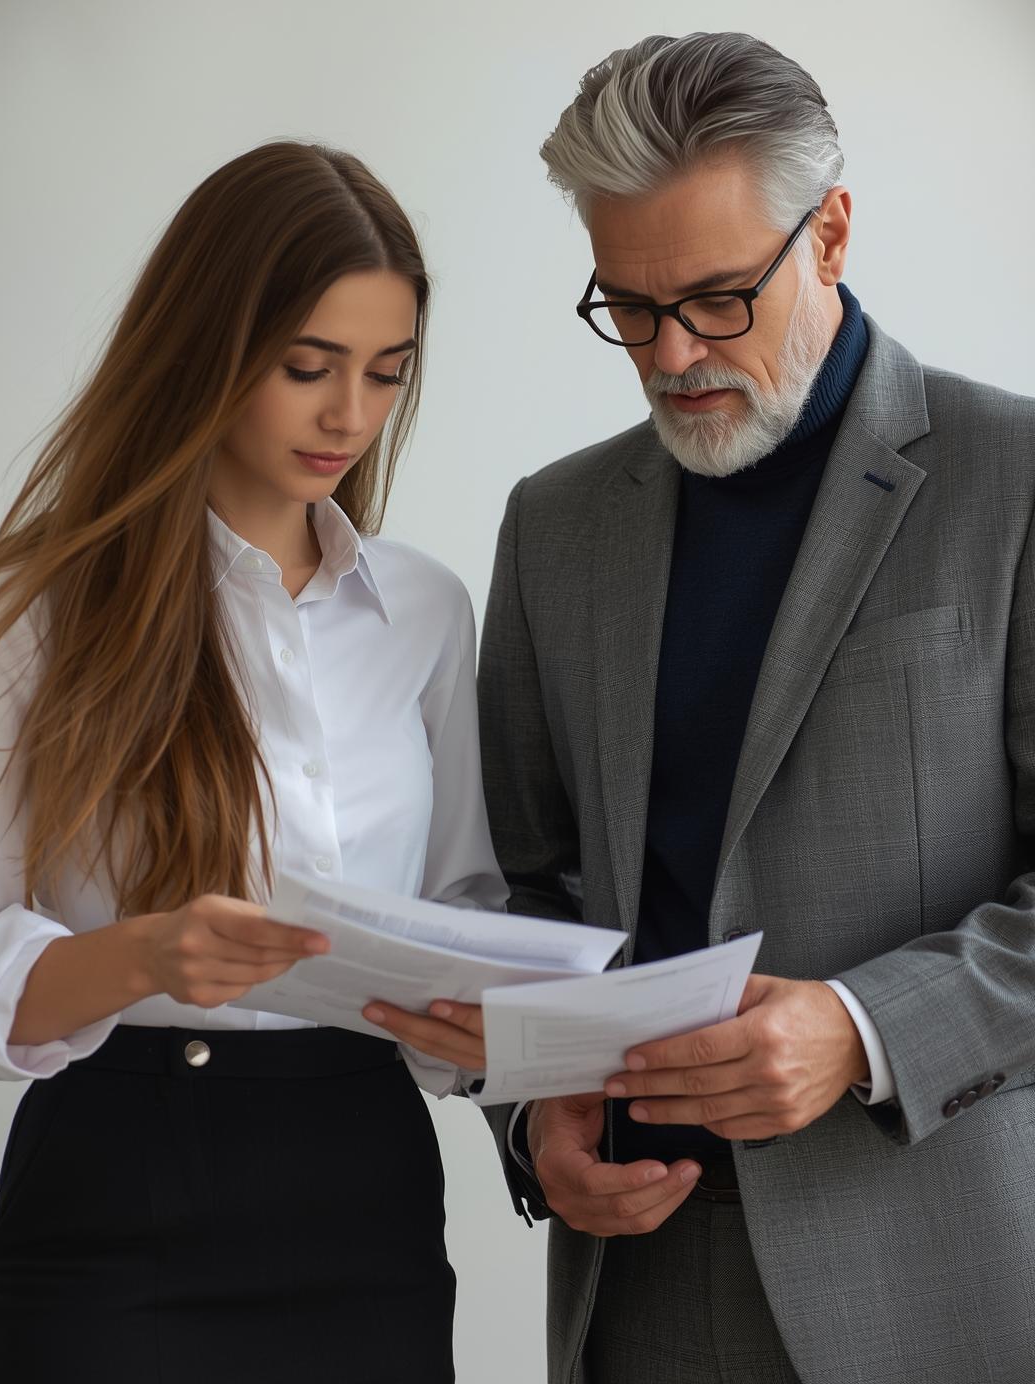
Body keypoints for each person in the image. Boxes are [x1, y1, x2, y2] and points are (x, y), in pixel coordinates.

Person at [472, 30, 1035, 1384]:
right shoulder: (553, 525)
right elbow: (523, 885)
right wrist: (534, 1112)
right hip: (641, 1283)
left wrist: (861, 1028)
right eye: (629, 306)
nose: (672, 353)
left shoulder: (1013, 481)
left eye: (718, 298)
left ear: (828, 233)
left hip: (940, 1280)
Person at [0, 140, 505, 1384]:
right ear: (205, 347)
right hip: (116, 1198)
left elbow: (462, 901)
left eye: (386, 373)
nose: (350, 417)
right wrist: (145, 955)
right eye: (306, 367)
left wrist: (489, 1020)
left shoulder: (426, 611)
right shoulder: (38, 606)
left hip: (367, 1194)